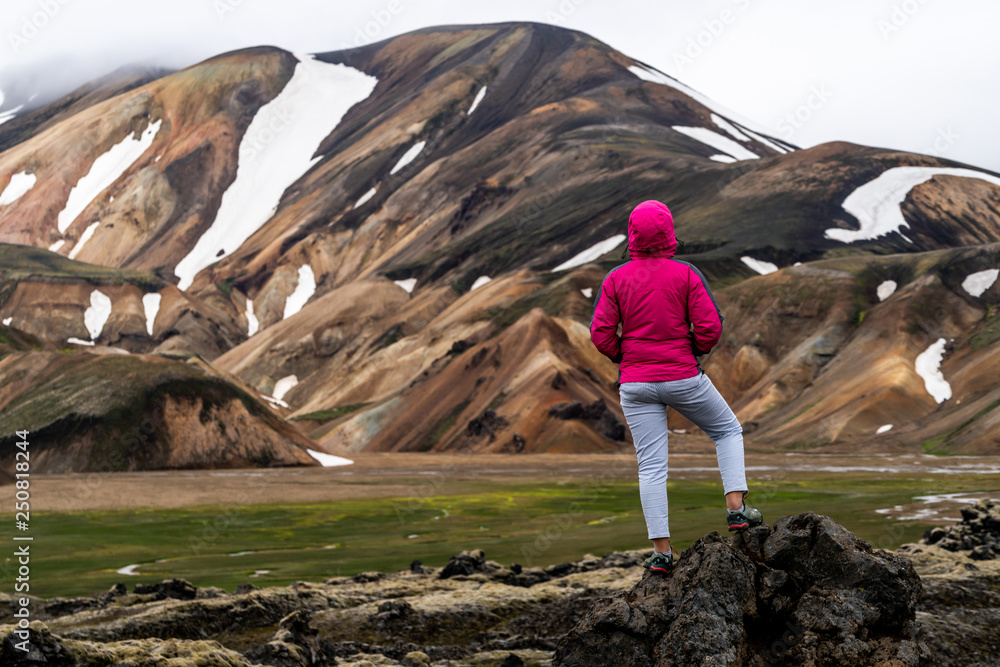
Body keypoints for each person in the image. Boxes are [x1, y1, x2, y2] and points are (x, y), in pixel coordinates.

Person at [589, 200, 762, 575]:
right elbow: (710, 327)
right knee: (727, 429)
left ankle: (662, 553)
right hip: (683, 375)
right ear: (668, 232)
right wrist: (692, 350)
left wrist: (626, 356)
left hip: (635, 383)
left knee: (651, 466)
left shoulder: (616, 278)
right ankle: (737, 510)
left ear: (632, 235)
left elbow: (600, 333)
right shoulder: (686, 274)